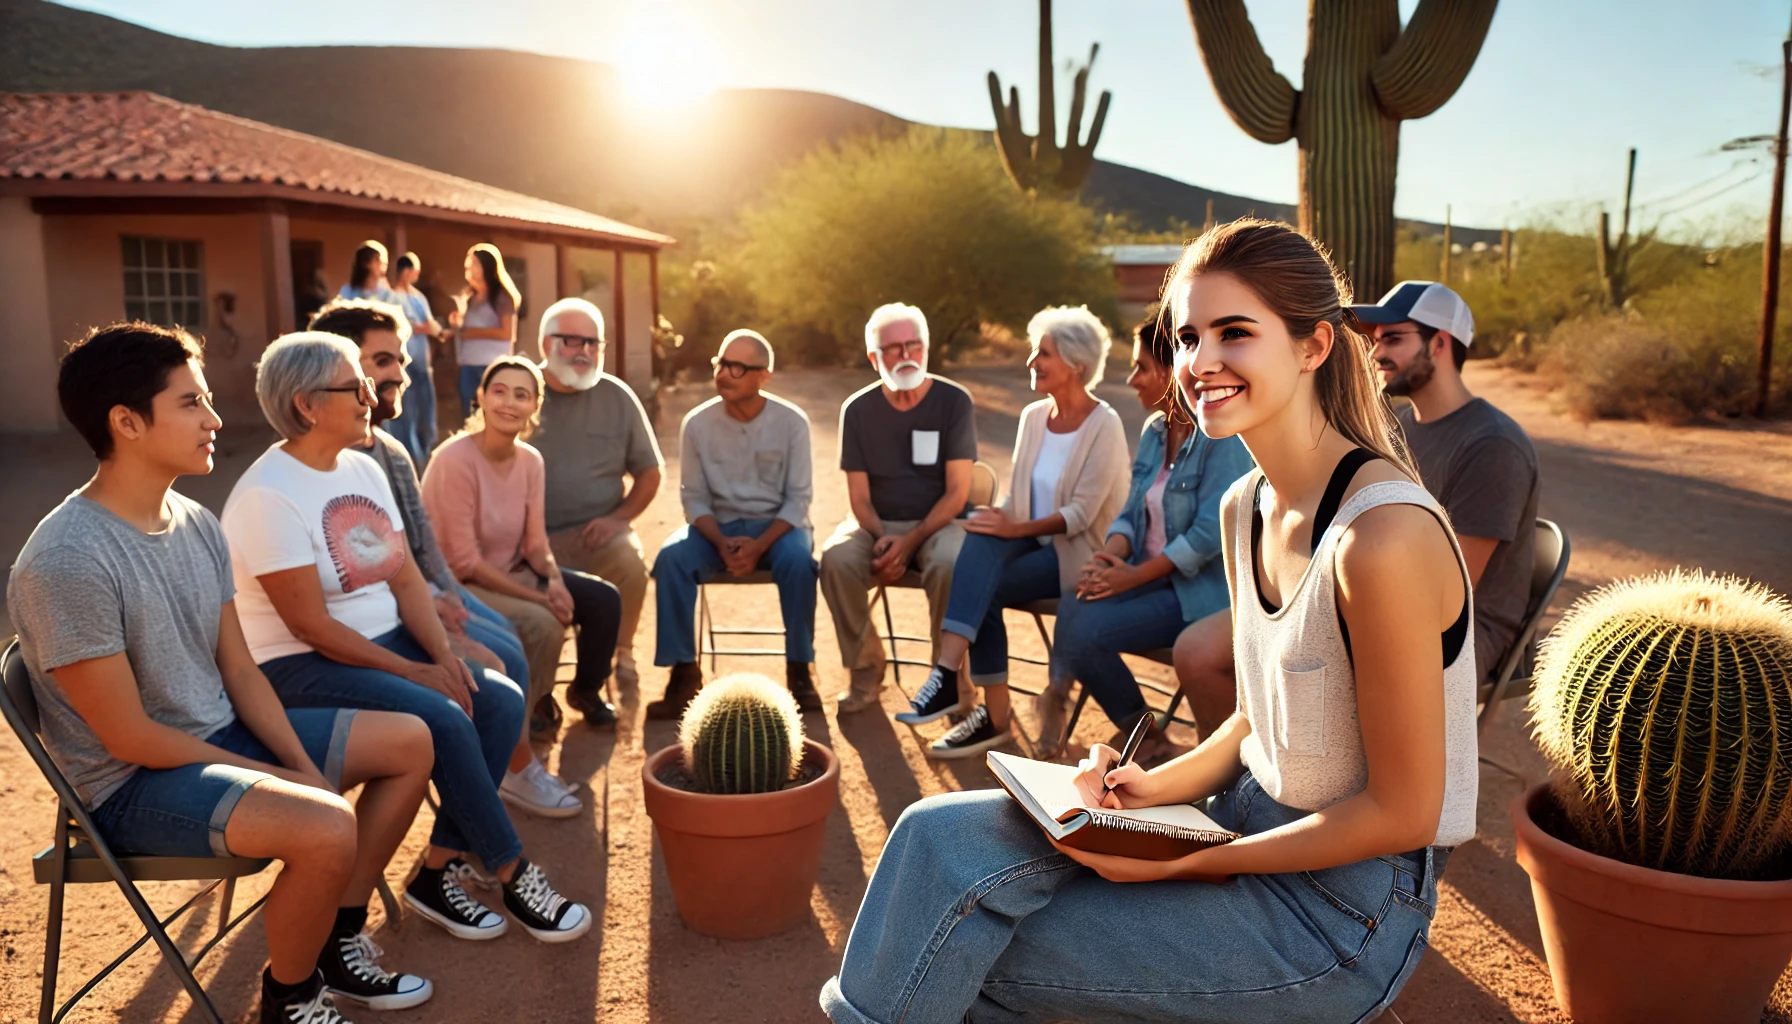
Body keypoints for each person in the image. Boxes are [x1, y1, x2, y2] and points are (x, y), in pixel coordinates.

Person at [821, 219, 1478, 1023]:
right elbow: (1255, 719)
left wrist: (1187, 865)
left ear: (1314, 347)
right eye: (1189, 335)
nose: (1199, 363)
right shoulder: (1248, 506)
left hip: (1339, 913)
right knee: (929, 838)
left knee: (963, 954)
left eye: (1235, 333)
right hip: (1238, 826)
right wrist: (1147, 791)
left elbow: (1404, 812)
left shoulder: (1381, 537)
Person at [9, 323, 436, 1022]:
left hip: (216, 740)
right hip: (130, 787)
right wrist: (286, 781)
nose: (214, 419)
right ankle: (289, 999)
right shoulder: (67, 561)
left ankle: (334, 936)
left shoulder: (196, 522)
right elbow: (130, 739)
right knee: (327, 826)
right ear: (126, 423)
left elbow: (239, 669)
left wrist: (296, 761)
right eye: (190, 404)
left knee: (412, 742)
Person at [221, 331, 592, 947]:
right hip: (297, 666)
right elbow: (310, 626)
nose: (371, 393)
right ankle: (511, 869)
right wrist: (416, 674)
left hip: (379, 640)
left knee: (494, 697)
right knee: (444, 716)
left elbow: (404, 574)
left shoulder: (362, 465)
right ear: (308, 405)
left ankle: (437, 869)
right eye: (354, 385)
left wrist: (445, 655)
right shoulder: (267, 495)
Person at [309, 299, 582, 818]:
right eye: (384, 361)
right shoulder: (327, 465)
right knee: (493, 666)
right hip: (376, 623)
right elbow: (367, 570)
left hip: (420, 595)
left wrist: (448, 596)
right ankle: (493, 792)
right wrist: (437, 602)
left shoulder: (388, 451)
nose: (402, 374)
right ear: (338, 368)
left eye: (403, 361)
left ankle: (509, 772)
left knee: (508, 640)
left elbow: (423, 546)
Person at [902, 307, 1130, 760]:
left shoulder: (1104, 425)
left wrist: (1014, 526)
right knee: (980, 540)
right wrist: (992, 518)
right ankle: (952, 677)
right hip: (1030, 541)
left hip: (1077, 553)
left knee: (980, 583)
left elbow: (1081, 515)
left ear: (1076, 364)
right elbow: (1018, 497)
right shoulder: (1032, 417)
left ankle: (990, 714)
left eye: (1042, 353)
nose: (1031, 361)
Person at [1045, 311, 1255, 763]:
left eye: (1141, 367)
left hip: (1200, 593)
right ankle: (1146, 734)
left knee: (1086, 630)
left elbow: (1207, 536)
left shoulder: (1221, 436)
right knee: (1074, 599)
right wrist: (1109, 557)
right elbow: (1130, 510)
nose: (1133, 379)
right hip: (1145, 575)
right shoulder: (1155, 431)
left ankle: (1141, 734)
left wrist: (1132, 577)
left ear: (1168, 370)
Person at [421, 357, 623, 739]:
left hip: (514, 569)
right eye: (499, 392)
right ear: (480, 397)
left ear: (535, 405)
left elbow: (534, 542)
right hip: (458, 584)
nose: (509, 403)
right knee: (545, 622)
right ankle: (525, 715)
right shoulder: (453, 460)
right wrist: (543, 599)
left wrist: (554, 581)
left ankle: (582, 691)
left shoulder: (531, 461)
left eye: (521, 395)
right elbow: (465, 563)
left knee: (602, 599)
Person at [1356, 280, 1541, 693]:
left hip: (1467, 631)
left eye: (1393, 339)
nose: (1376, 353)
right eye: (1375, 340)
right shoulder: (1398, 429)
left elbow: (1451, 591)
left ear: (1439, 344)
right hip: (1400, 605)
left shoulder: (1493, 445)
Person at [648, 329, 819, 719]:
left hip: (778, 530)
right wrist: (721, 541)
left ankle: (800, 671)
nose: (723, 374)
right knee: (671, 559)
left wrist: (759, 546)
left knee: (799, 563)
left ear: (764, 375)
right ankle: (683, 673)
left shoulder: (793, 423)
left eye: (736, 367)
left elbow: (799, 499)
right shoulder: (697, 424)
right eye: (720, 364)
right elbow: (693, 497)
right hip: (715, 528)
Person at [820, 303, 977, 715]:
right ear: (874, 358)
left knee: (950, 562)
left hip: (940, 522)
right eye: (892, 348)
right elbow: (858, 498)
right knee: (835, 558)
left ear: (925, 349)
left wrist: (909, 542)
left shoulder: (953, 402)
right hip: (876, 521)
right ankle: (866, 668)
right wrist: (883, 538)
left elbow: (958, 493)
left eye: (913, 345)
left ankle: (949, 680)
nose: (905, 355)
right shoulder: (856, 410)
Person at [529, 297, 659, 690]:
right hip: (530, 540)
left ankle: (619, 652)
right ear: (545, 344)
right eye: (573, 341)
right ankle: (539, 688)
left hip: (597, 534)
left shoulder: (617, 397)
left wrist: (617, 519)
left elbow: (651, 473)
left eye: (593, 343)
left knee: (631, 563)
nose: (585, 351)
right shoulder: (516, 392)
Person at [445, 243, 518, 418]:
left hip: (490, 366)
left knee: (490, 414)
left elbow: (507, 333)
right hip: (468, 365)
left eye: (474, 263)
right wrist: (457, 325)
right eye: (467, 263)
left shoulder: (501, 296)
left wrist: (471, 333)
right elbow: (465, 330)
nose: (468, 267)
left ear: (487, 266)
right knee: (470, 415)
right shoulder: (469, 297)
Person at [385, 252, 442, 468]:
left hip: (422, 364)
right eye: (415, 271)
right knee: (406, 415)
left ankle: (428, 457)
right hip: (405, 365)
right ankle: (410, 461)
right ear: (406, 271)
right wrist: (425, 328)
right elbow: (402, 326)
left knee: (426, 413)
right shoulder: (392, 298)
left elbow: (430, 324)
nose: (416, 275)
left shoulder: (419, 297)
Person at [338, 240, 399, 304]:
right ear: (365, 263)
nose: (382, 264)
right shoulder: (348, 292)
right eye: (377, 260)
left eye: (384, 262)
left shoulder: (388, 295)